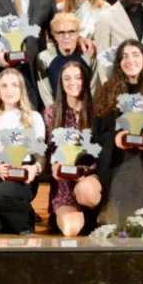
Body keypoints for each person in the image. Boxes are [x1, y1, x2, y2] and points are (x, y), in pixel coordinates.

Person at [90, 40, 143, 223]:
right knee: (118, 220)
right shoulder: (108, 92)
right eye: (124, 56)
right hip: (118, 160)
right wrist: (116, 138)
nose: (130, 60)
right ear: (118, 62)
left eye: (135, 55)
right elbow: (100, 133)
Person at [0, 68, 45, 236]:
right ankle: (13, 217)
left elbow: (41, 157)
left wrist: (35, 169)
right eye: (4, 86)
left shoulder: (34, 116)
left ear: (22, 89)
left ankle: (25, 217)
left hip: (22, 177)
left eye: (14, 85)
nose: (9, 90)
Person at [43, 61, 97, 236]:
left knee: (88, 194)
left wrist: (86, 171)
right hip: (64, 182)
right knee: (71, 229)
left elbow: (102, 154)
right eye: (67, 78)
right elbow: (48, 151)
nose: (72, 82)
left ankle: (93, 213)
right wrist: (54, 167)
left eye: (78, 77)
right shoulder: (52, 112)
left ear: (85, 80)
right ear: (61, 83)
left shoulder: (97, 111)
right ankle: (67, 215)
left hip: (89, 178)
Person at [36, 13, 93, 107]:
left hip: (85, 111)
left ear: (78, 33)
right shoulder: (44, 58)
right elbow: (46, 94)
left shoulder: (88, 55)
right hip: (57, 113)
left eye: (71, 32)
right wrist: (56, 115)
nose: (66, 37)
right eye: (61, 33)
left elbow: (93, 90)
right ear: (54, 35)